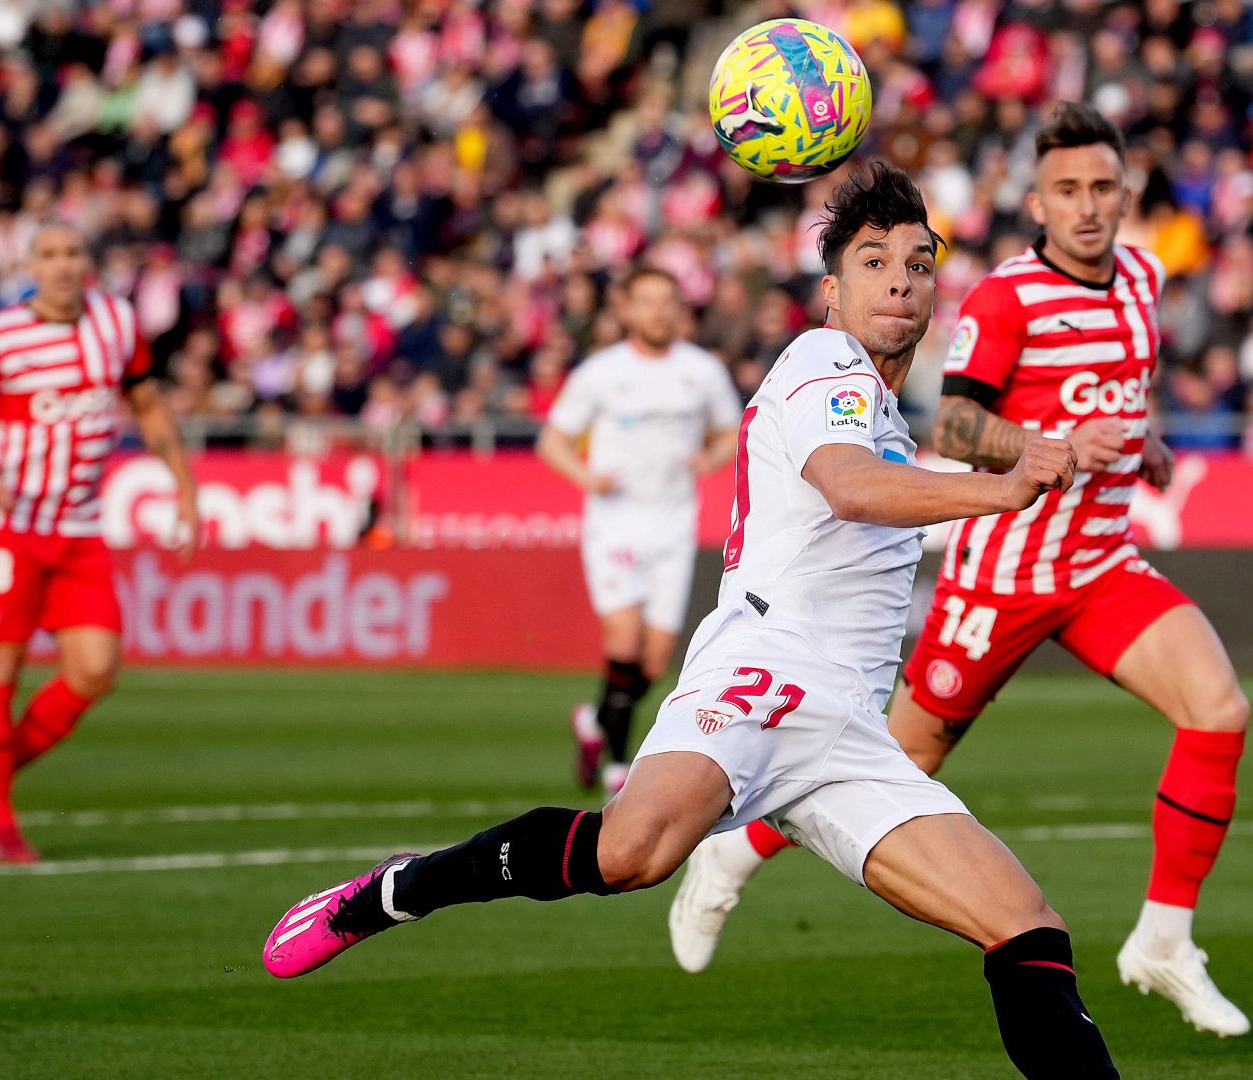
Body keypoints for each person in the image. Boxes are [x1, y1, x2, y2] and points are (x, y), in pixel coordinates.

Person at [263, 162, 1120, 1079]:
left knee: (1027, 926)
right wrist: (1004, 487)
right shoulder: (822, 361)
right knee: (632, 853)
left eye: (917, 263)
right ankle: (397, 890)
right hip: (764, 672)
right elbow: (850, 487)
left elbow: (877, 475)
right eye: (874, 262)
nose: (901, 280)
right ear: (833, 290)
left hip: (846, 731)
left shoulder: (885, 410)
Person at [668, 103, 1253, 1039]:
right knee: (895, 757)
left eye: (1103, 187)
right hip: (1004, 573)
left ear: (1126, 195)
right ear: (1036, 201)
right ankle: (732, 858)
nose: (1088, 206)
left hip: (1099, 560)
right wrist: (1053, 446)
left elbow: (1113, 399)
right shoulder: (1006, 297)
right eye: (1068, 190)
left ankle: (1166, 941)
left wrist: (1140, 447)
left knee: (1219, 711)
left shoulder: (1143, 276)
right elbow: (955, 428)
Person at [0, 220, 198, 863]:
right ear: (29, 264)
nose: (61, 265)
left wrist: (186, 489)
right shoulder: (0, 338)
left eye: (72, 251)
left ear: (88, 259)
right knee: (0, 665)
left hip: (79, 529)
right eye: (48, 254)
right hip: (10, 527)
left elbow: (148, 406)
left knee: (96, 669)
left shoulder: (116, 323)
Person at [536, 268, 742, 796]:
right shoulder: (602, 373)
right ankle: (619, 764)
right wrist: (587, 477)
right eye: (646, 301)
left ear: (679, 310)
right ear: (626, 309)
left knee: (653, 659)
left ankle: (594, 719)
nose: (657, 312)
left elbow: (729, 432)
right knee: (624, 642)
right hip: (616, 524)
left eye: (666, 302)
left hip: (673, 526)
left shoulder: (701, 371)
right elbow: (553, 441)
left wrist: (710, 456)